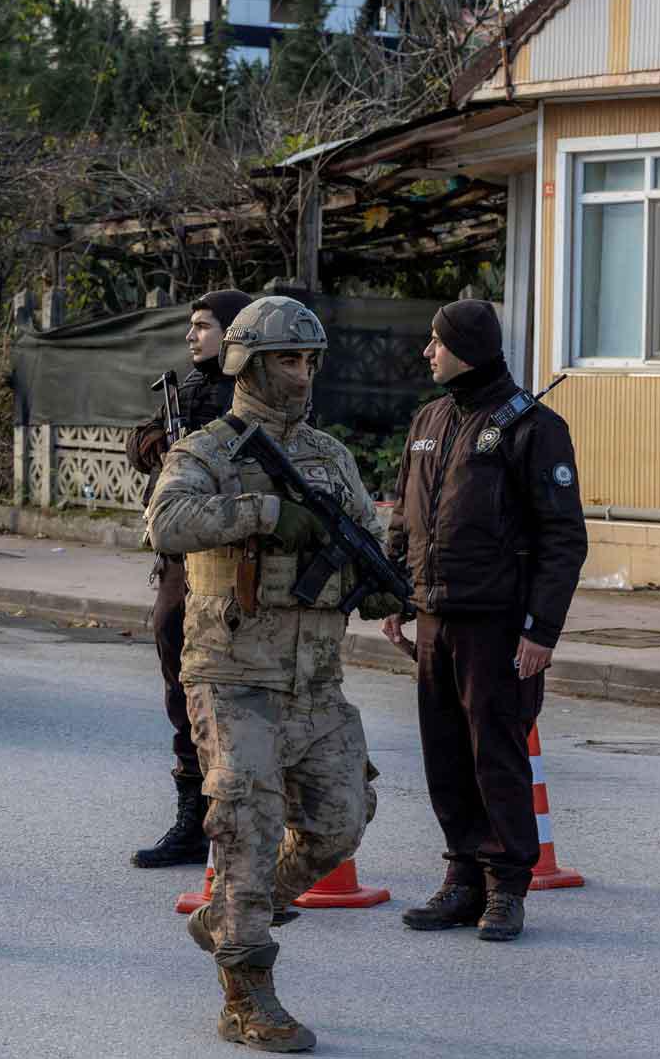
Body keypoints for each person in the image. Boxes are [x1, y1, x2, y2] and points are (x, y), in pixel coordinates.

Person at [149, 295, 391, 1053]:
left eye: (311, 359)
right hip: (233, 672)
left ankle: (227, 917)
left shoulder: (329, 454)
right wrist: (259, 512)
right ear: (248, 364)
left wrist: (380, 579)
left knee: (341, 819)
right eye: (289, 358)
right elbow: (165, 522)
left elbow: (364, 533)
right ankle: (246, 991)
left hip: (316, 678)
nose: (303, 372)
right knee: (246, 832)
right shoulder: (209, 450)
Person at [381, 299, 587, 942]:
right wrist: (394, 593)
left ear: (465, 346)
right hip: (433, 618)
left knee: (495, 755)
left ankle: (506, 888)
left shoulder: (534, 427)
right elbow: (403, 516)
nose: (427, 352)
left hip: (497, 625)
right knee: (444, 757)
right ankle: (462, 877)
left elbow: (563, 539)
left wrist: (541, 632)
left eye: (435, 342)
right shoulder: (428, 419)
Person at [123, 288, 254, 869]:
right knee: (177, 669)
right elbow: (138, 441)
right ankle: (192, 815)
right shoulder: (188, 388)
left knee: (240, 688)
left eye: (203, 326)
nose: (191, 335)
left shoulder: (256, 390)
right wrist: (158, 446)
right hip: (180, 556)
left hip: (235, 557)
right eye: (192, 325)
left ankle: (251, 816)